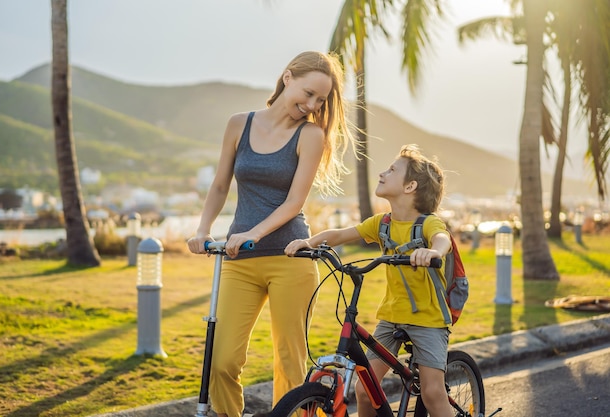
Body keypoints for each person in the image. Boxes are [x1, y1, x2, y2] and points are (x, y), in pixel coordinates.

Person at [187, 50, 355, 417]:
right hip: (239, 260)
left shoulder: (310, 135)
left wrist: (254, 233)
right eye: (308, 93)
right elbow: (219, 186)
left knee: (288, 364)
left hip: (291, 259)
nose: (311, 105)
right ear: (287, 77)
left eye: (320, 100)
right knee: (222, 362)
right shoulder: (238, 124)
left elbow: (294, 203)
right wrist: (202, 230)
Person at [285, 144, 452, 417]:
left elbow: (442, 238)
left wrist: (432, 252)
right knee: (365, 390)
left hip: (429, 320)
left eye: (392, 170)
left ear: (410, 187)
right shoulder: (382, 223)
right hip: (391, 316)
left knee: (433, 393)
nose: (382, 173)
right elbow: (339, 234)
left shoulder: (426, 224)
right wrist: (309, 242)